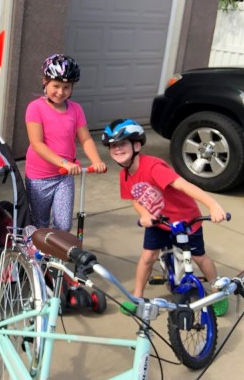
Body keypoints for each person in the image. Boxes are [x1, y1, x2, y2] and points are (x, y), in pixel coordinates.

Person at [101, 118, 229, 316]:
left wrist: (212, 205)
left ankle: (217, 291)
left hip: (185, 220)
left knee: (198, 257)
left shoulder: (153, 167)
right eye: (113, 146)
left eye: (122, 144)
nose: (117, 149)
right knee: (147, 257)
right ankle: (137, 296)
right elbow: (134, 199)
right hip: (159, 222)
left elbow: (185, 186)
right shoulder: (124, 174)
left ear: (136, 145)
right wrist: (145, 213)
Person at [25, 54, 106, 231]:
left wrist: (96, 161)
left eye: (66, 87)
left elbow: (85, 138)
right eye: (56, 86)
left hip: (64, 176)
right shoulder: (35, 108)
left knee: (64, 225)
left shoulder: (76, 109)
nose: (61, 92)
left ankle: (57, 249)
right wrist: (64, 162)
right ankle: (36, 248)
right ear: (45, 82)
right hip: (40, 177)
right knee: (40, 224)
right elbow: (37, 143)